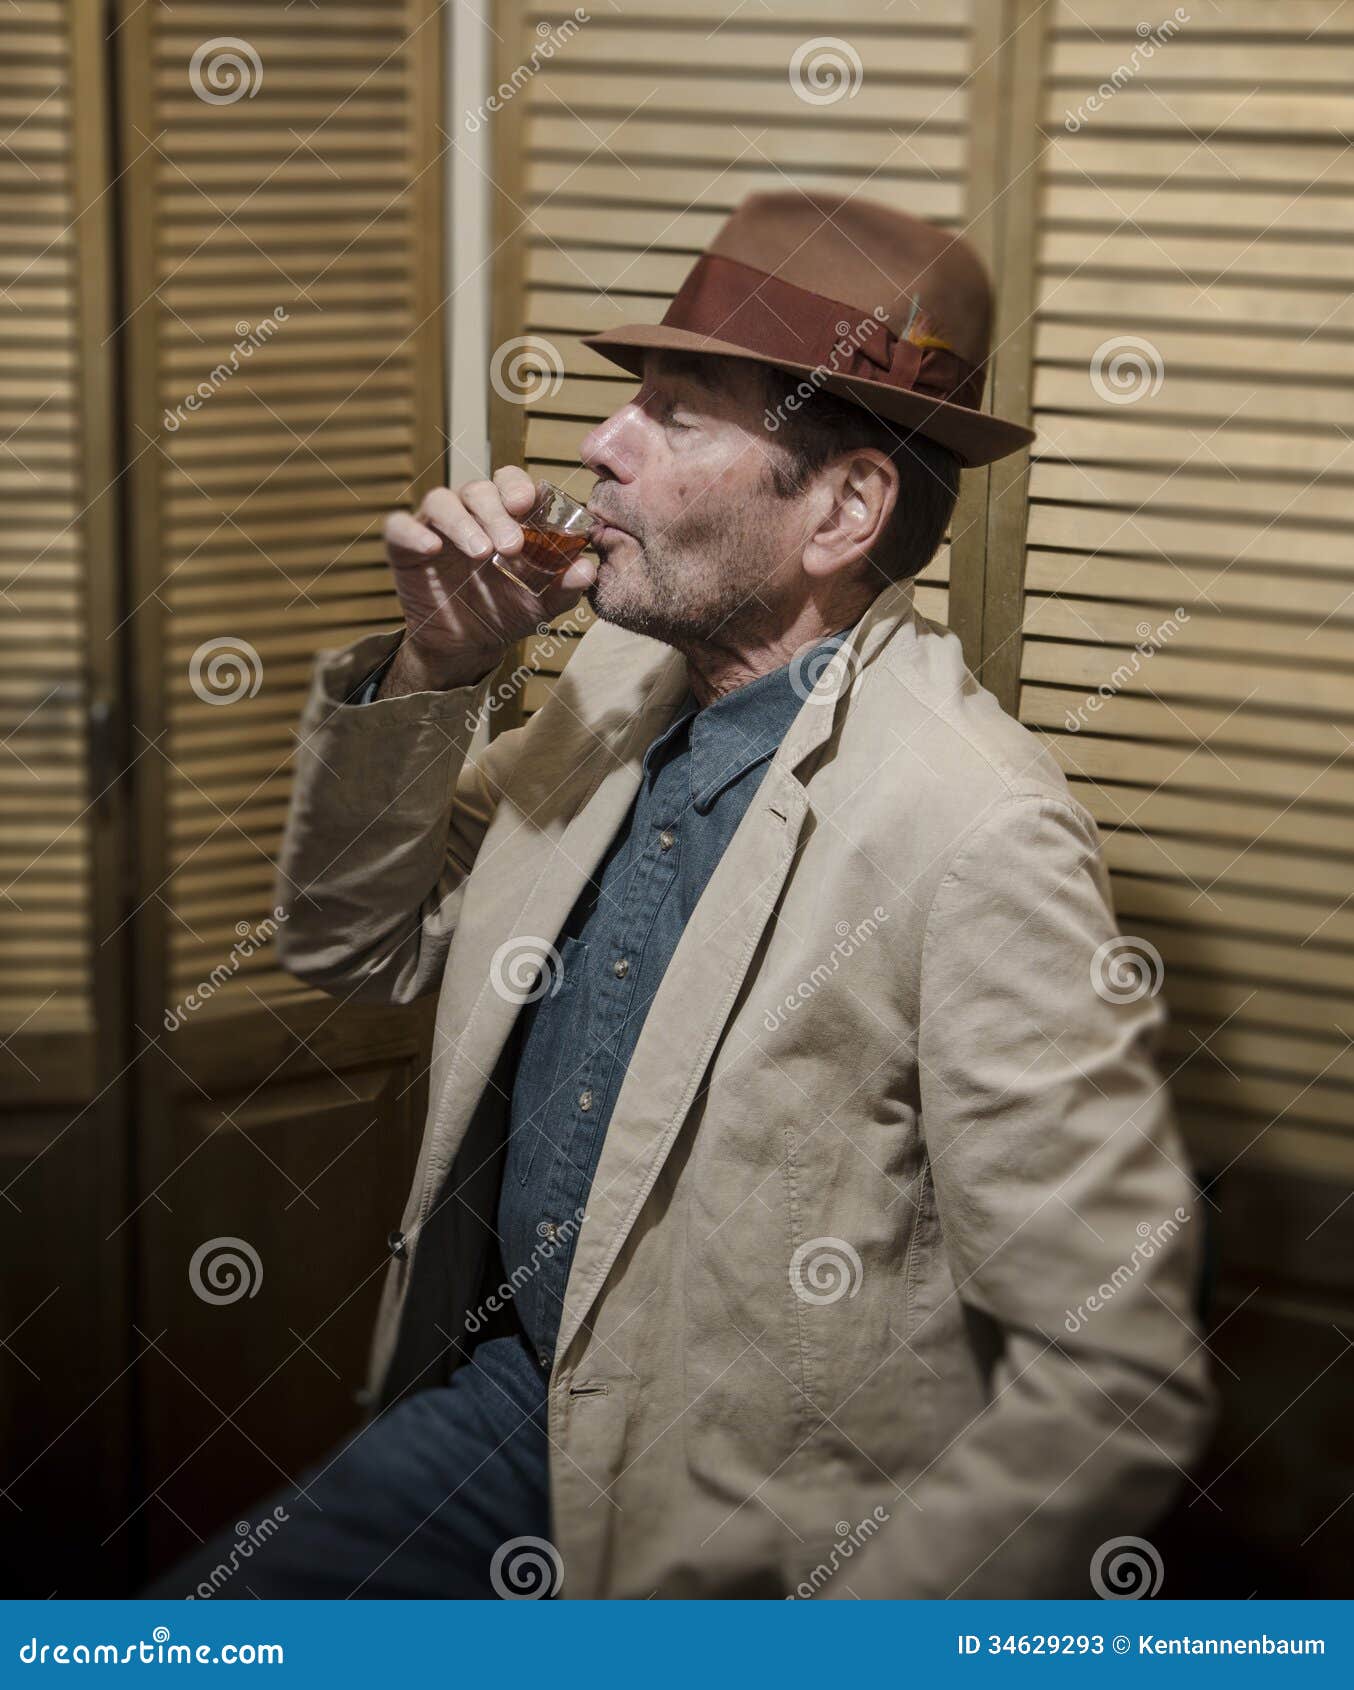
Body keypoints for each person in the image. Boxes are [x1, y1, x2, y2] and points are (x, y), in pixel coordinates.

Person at [148, 190, 1214, 1601]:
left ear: (843, 507)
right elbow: (353, 943)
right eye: (627, 402)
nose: (600, 444)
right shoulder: (611, 685)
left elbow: (1111, 1373)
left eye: (677, 413)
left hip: (740, 1541)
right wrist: (433, 676)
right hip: (500, 1420)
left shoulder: (975, 830)